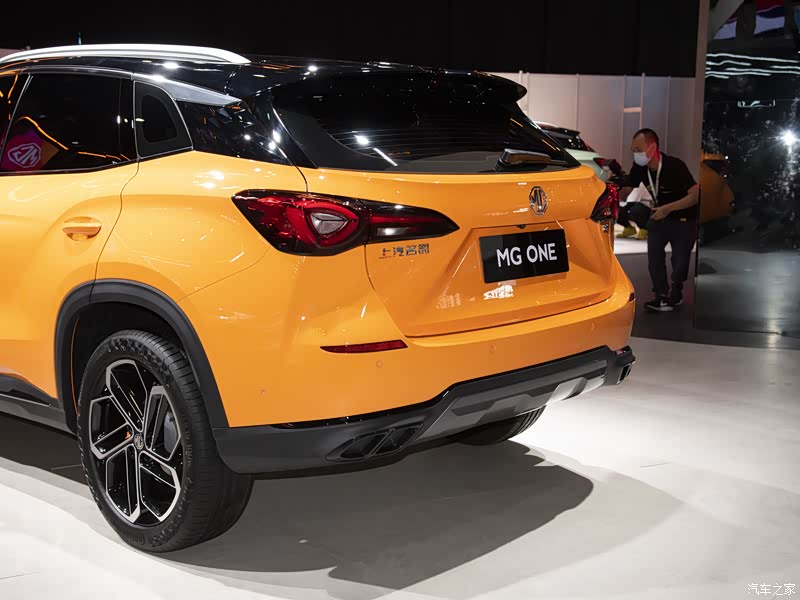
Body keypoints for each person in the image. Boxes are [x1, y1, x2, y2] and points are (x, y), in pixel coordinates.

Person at [620, 128, 700, 312]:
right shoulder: (639, 168)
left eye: (638, 150)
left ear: (652, 147)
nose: (636, 154)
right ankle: (661, 296)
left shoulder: (675, 166)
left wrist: (668, 208)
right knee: (654, 258)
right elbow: (627, 189)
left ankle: (676, 290)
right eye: (633, 150)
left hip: (683, 219)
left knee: (680, 262)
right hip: (658, 217)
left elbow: (695, 195)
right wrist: (621, 186)